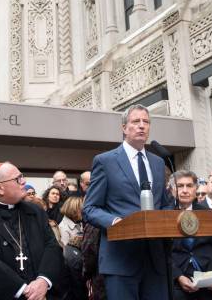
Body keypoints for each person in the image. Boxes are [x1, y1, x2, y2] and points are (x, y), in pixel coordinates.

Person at [83, 104, 173, 300]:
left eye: (146, 122)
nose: (142, 126)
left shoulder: (158, 162)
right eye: (136, 121)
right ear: (124, 128)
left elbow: (164, 204)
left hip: (155, 261)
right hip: (120, 259)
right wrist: (116, 223)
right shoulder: (105, 161)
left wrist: (167, 218)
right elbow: (90, 209)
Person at [0, 162, 65, 299]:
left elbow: (52, 246)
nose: (24, 181)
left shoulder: (35, 211)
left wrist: (43, 280)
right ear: (0, 188)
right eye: (18, 179)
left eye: (22, 176)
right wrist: (22, 289)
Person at [171, 170, 212, 300]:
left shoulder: (211, 215)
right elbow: (162, 254)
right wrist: (178, 277)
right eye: (180, 186)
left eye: (189, 186)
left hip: (211, 278)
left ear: (196, 189)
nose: (185, 190)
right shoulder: (163, 217)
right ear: (172, 190)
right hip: (179, 280)